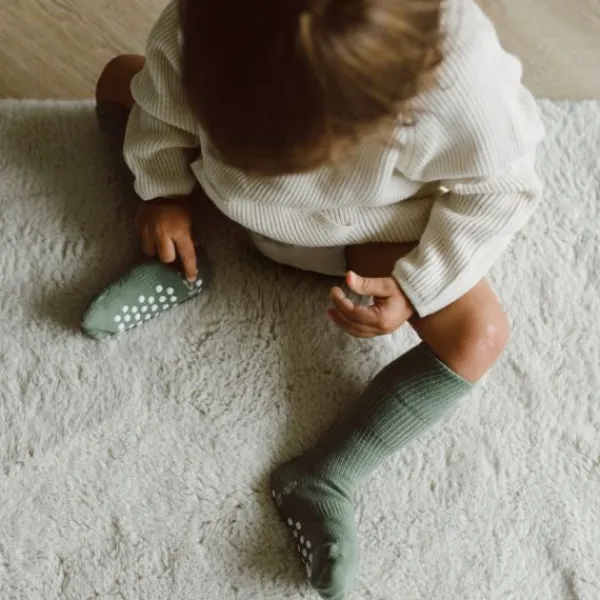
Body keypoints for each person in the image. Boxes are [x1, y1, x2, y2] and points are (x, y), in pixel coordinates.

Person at [89, 0, 544, 596]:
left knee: (479, 336)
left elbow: (502, 190)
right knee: (119, 79)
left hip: (372, 227)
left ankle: (326, 476)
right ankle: (176, 260)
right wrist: (162, 194)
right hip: (224, 189)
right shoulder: (203, 24)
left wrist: (416, 286)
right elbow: (159, 110)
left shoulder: (460, 76)